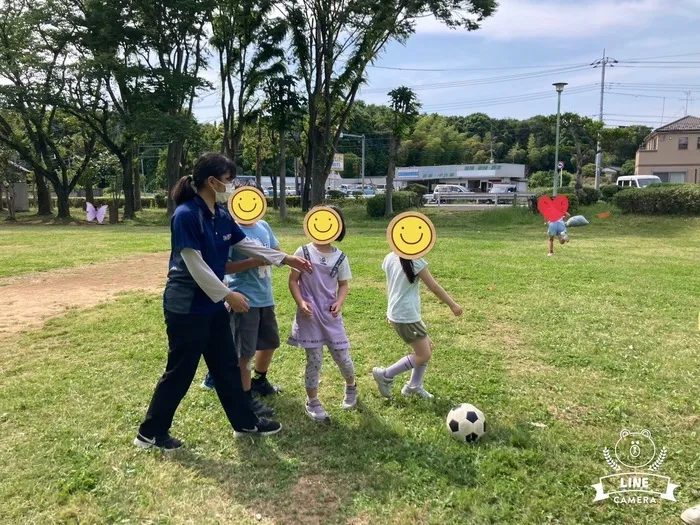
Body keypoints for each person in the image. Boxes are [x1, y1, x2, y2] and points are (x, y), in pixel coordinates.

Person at [133, 152, 312, 451]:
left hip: (212, 305)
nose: (232, 186)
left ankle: (244, 422)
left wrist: (285, 258)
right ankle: (150, 433)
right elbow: (195, 263)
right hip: (187, 307)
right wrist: (228, 294)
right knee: (180, 371)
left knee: (226, 366)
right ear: (212, 181)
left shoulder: (222, 214)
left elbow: (246, 244)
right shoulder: (186, 215)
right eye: (229, 181)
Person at [202, 217, 282, 419]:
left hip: (265, 297)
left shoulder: (264, 225)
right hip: (244, 299)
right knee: (244, 352)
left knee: (269, 343)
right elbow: (224, 266)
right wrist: (253, 261)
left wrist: (274, 257)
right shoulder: (230, 229)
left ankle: (260, 381)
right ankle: (244, 396)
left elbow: (276, 251)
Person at [288, 206, 356, 422]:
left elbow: (343, 285)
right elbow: (293, 280)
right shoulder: (302, 252)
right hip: (309, 317)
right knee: (314, 360)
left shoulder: (340, 257)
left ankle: (351, 386)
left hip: (330, 316)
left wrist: (340, 302)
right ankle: (313, 401)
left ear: (338, 227)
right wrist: (301, 303)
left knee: (342, 357)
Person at [373, 253, 462, 399]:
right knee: (423, 354)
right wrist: (453, 305)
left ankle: (413, 386)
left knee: (428, 346)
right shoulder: (415, 261)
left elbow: (390, 285)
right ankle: (386, 375)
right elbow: (433, 286)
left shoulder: (389, 257)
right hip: (407, 315)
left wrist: (390, 310)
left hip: (400, 313)